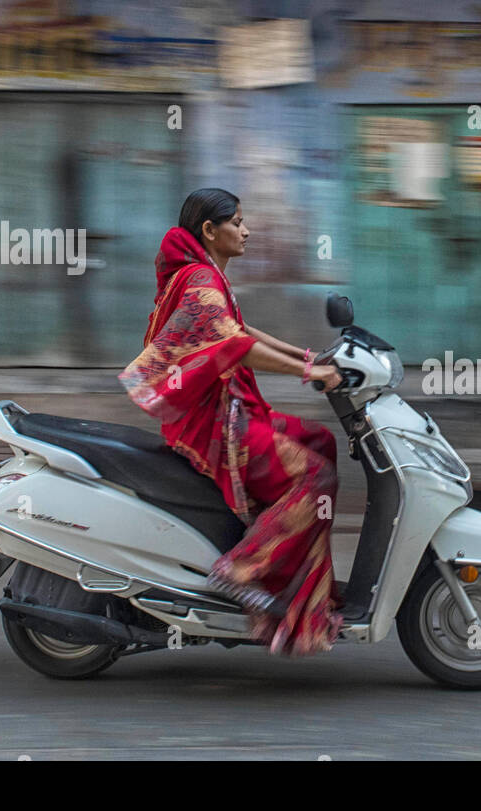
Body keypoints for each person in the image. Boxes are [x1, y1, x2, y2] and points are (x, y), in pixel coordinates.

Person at [119, 189, 346, 654]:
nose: (247, 231)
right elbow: (234, 347)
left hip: (230, 410)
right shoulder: (200, 276)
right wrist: (310, 372)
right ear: (210, 230)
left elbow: (239, 330)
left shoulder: (205, 274)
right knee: (316, 476)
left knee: (320, 440)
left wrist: (306, 354)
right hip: (215, 425)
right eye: (238, 222)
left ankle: (283, 577)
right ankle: (241, 570)